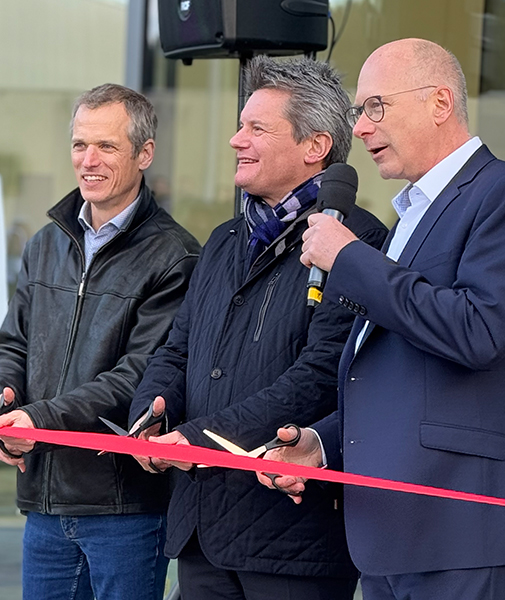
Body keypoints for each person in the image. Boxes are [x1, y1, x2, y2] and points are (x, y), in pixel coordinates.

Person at [258, 38, 505, 600]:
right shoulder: (412, 216)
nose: (363, 128)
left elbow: (479, 331)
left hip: (470, 533)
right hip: (393, 531)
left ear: (440, 103)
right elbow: (399, 375)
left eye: (377, 106)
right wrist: (324, 444)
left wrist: (348, 259)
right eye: (358, 111)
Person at [128, 56, 388, 600]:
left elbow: (320, 375)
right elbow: (178, 350)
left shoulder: (357, 244)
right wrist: (150, 416)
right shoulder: (224, 240)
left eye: (256, 128)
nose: (235, 140)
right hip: (201, 529)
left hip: (294, 543)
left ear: (315, 147)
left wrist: (199, 440)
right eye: (240, 124)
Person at [0, 83, 201, 600]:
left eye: (106, 147)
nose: (88, 160)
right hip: (44, 501)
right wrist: (1, 405)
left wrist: (39, 420)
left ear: (144, 154)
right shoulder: (46, 242)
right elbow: (11, 344)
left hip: (122, 507)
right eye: (80, 145)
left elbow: (138, 375)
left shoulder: (175, 257)